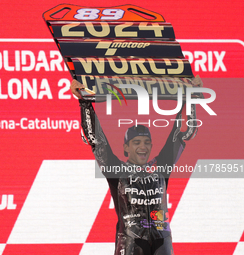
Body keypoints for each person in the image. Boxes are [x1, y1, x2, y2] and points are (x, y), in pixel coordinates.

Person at [71, 78, 202, 255]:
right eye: (136, 142)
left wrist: (190, 97)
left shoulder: (161, 166)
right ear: (126, 147)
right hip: (131, 241)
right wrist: (84, 102)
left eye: (147, 142)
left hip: (162, 241)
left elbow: (184, 132)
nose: (143, 146)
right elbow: (96, 141)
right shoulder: (116, 170)